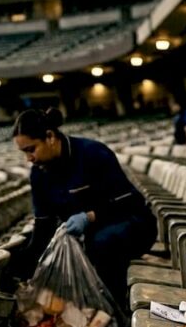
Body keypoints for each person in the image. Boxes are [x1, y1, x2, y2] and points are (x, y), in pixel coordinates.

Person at [11, 108, 156, 308]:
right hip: (92, 231)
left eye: (31, 149)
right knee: (34, 256)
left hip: (132, 223)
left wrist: (89, 216)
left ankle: (113, 310)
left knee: (100, 243)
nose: (29, 158)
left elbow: (129, 203)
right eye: (24, 152)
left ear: (50, 137)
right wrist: (25, 264)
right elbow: (44, 225)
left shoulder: (93, 153)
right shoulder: (39, 174)